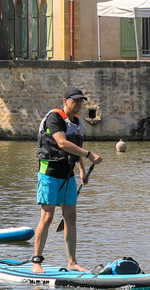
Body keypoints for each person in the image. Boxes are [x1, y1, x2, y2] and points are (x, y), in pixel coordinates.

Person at [32, 88, 102, 272]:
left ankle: (72, 262)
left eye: (81, 102)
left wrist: (81, 171)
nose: (78, 104)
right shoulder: (55, 118)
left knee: (71, 217)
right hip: (49, 173)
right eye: (75, 101)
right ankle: (36, 261)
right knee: (47, 217)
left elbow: (74, 149)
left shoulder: (77, 122)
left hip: (68, 174)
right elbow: (62, 143)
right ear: (65, 101)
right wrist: (89, 154)